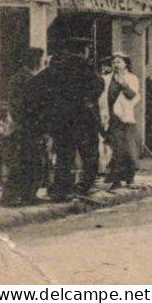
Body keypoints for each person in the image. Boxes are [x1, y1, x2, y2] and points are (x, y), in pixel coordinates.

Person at [44, 40, 102, 201]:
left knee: (64, 155)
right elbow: (97, 86)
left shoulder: (56, 68)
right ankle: (85, 186)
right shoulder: (86, 67)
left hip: (62, 119)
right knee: (89, 154)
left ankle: (60, 188)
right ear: (84, 51)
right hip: (84, 118)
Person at [1, 47, 50, 206]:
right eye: (41, 60)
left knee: (32, 161)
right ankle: (13, 196)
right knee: (24, 161)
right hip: (26, 127)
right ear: (35, 60)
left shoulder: (26, 77)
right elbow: (18, 106)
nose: (43, 63)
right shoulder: (23, 79)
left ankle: (27, 194)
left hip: (30, 126)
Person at [102, 54, 140, 189]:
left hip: (125, 117)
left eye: (119, 62)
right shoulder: (106, 79)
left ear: (125, 64)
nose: (116, 65)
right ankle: (115, 179)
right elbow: (103, 97)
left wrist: (124, 86)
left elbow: (134, 96)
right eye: (113, 62)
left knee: (128, 148)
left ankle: (130, 177)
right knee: (115, 148)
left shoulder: (132, 79)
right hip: (111, 117)